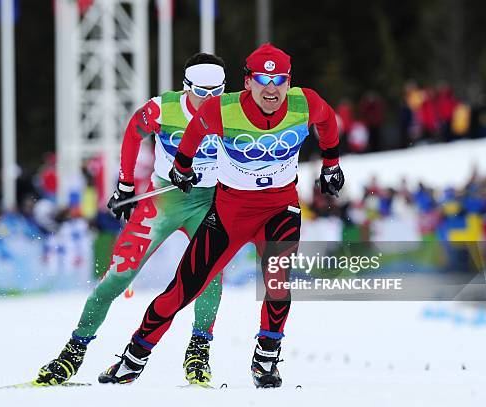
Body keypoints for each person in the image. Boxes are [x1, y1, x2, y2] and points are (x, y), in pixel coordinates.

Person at [98, 44, 344, 388]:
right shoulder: (223, 109)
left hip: (280, 208)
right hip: (230, 213)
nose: (271, 89)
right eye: (262, 79)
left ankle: (266, 359)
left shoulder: (305, 102)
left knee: (277, 281)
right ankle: (134, 356)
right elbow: (195, 131)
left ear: (289, 82)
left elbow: (328, 121)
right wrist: (182, 167)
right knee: (184, 289)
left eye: (279, 80)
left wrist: (331, 164)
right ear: (247, 82)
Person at [34, 53, 228, 387]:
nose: (210, 100)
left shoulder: (233, 110)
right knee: (118, 276)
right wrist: (125, 183)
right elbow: (133, 133)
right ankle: (74, 350)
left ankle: (199, 350)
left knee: (209, 274)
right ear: (186, 87)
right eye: (202, 92)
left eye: (218, 92)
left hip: (209, 201)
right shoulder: (163, 108)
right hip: (165, 199)